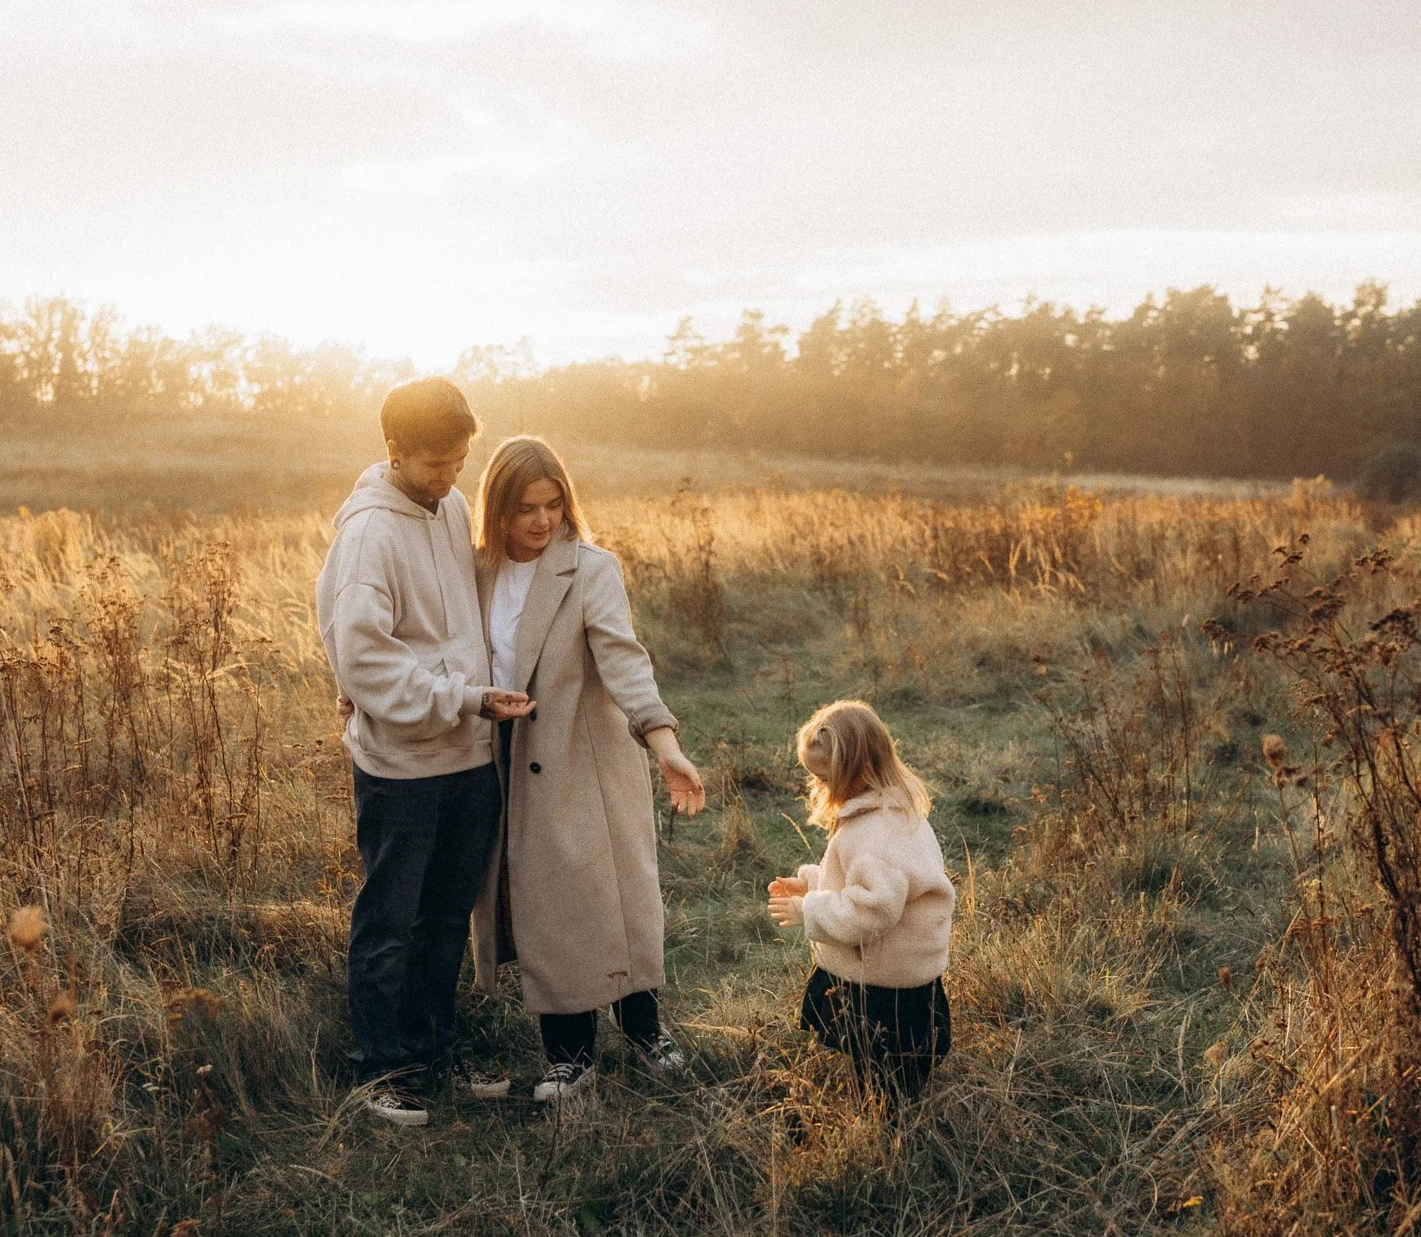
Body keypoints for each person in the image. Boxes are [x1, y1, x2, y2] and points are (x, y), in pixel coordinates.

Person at [315, 378, 535, 1127]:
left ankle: (432, 1056)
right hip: (403, 766)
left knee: (445, 917)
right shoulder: (368, 532)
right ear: (394, 452)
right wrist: (459, 697)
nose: (450, 477)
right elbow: (358, 648)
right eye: (437, 464)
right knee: (391, 918)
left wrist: (476, 703)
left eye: (460, 461)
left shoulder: (454, 508)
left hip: (470, 759)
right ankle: (379, 1071)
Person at [466, 436, 707, 1102]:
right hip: (508, 760)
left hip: (584, 756)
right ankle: (568, 1055)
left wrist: (665, 743)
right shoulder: (476, 569)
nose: (542, 521)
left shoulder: (590, 568)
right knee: (544, 905)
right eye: (525, 508)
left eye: (553, 504)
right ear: (498, 510)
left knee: (612, 896)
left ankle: (645, 1030)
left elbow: (624, 659)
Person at [766, 700, 954, 1100]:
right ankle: (880, 1113)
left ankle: (890, 1141)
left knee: (890, 1078)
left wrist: (809, 910)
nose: (818, 788)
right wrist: (813, 885)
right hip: (900, 973)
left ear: (854, 772)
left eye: (823, 778)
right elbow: (869, 888)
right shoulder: (895, 814)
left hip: (884, 987)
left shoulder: (874, 835)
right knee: (884, 1069)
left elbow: (873, 910)